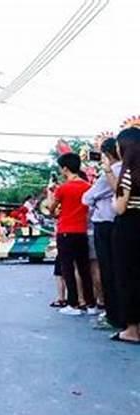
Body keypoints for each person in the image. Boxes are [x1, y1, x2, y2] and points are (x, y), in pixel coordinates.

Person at [48, 152, 97, 316]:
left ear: (66, 168)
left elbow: (51, 209)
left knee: (67, 268)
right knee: (84, 268)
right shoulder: (87, 187)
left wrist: (51, 193)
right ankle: (91, 304)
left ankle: (73, 304)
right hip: (82, 231)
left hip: (65, 232)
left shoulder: (63, 188)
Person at [82, 137, 123, 329]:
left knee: (108, 269)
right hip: (118, 223)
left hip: (105, 224)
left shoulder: (111, 172)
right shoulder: (127, 169)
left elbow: (87, 198)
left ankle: (113, 314)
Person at [109, 123, 140, 343]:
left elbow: (120, 207)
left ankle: (131, 329)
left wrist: (113, 200)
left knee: (127, 276)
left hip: (129, 227)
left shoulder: (128, 173)